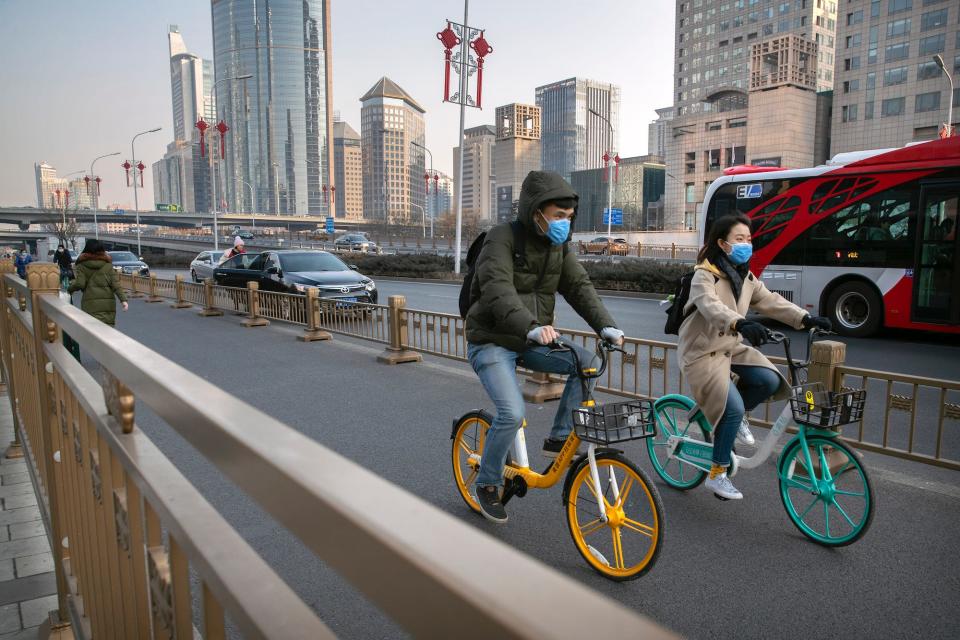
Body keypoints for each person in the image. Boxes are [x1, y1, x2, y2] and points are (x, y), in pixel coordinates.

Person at [465, 170, 625, 523]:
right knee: (512, 413)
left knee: (586, 362)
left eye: (568, 218)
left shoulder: (557, 247)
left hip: (530, 337)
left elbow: (579, 286)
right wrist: (532, 327)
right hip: (491, 339)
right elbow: (497, 291)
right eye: (557, 216)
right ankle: (488, 484)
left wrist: (607, 325)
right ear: (536, 212)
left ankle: (559, 437)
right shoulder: (500, 239)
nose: (564, 224)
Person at [680, 214, 831, 500]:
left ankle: (734, 420)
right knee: (733, 408)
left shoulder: (745, 276)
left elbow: (771, 300)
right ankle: (717, 474)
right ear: (723, 244)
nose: (746, 244)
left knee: (768, 380)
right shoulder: (704, 275)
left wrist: (806, 318)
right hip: (701, 353)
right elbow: (711, 307)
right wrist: (741, 323)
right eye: (739, 239)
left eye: (749, 239)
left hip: (729, 346)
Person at [68, 239, 128, 326]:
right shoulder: (108, 265)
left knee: (92, 331)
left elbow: (79, 284)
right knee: (108, 331)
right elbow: (116, 285)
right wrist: (123, 300)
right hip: (108, 305)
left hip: (90, 304)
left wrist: (70, 289)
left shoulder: (81, 265)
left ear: (86, 249)